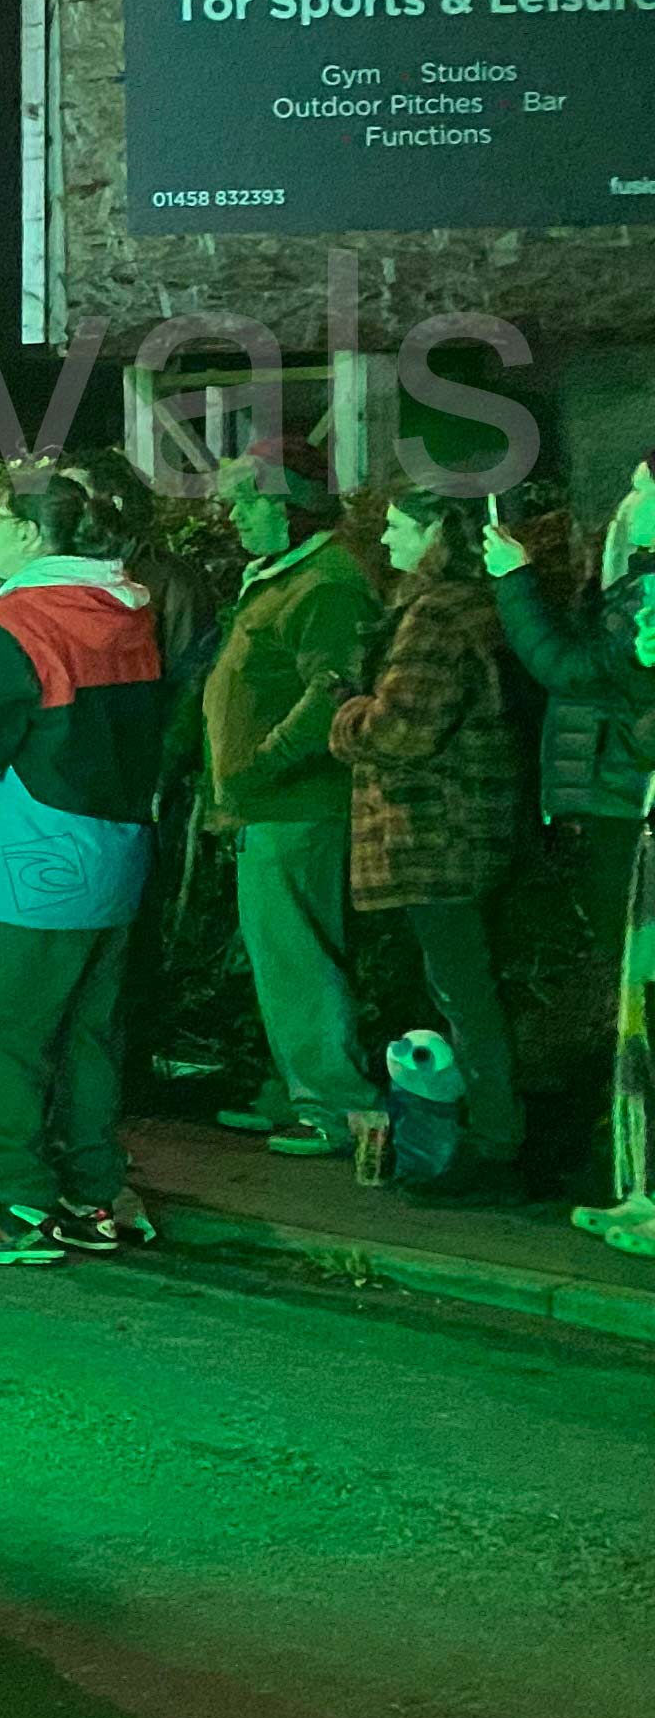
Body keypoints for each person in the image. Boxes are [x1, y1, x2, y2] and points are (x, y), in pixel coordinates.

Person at [0, 454, 170, 1266]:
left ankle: (23, 1206)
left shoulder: (15, 622)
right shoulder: (127, 608)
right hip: (113, 863)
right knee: (89, 1041)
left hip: (20, 870)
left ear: (31, 533)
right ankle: (95, 1195)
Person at [327, 487, 523, 1201]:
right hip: (467, 827)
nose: (385, 541)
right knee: (464, 988)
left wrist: (347, 713)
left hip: (437, 832)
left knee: (463, 993)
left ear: (436, 531)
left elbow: (401, 728)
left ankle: (496, 1145)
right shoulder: (472, 605)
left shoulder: (438, 615)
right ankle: (480, 1136)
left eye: (397, 528)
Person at [485, 463, 655, 1247]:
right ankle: (637, 1184)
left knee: (638, 994)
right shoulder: (632, 589)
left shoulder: (642, 596)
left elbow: (576, 671)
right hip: (627, 807)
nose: (628, 502)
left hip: (630, 808)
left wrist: (516, 582)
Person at [199, 438, 384, 1150]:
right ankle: (298, 1090)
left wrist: (257, 767)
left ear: (291, 506)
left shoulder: (325, 583)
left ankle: (335, 1110)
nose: (235, 516)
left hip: (297, 808)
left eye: (249, 501)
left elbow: (333, 689)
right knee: (283, 960)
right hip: (270, 807)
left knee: (300, 960)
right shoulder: (288, 575)